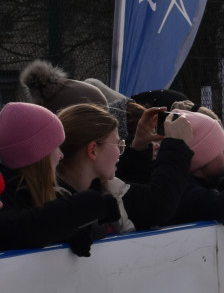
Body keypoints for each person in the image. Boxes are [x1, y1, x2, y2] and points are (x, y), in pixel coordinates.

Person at [55, 103, 195, 252]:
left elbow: (149, 204)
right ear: (93, 150)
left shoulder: (105, 188)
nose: (120, 151)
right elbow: (160, 204)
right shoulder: (54, 210)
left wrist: (140, 146)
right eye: (117, 143)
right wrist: (176, 146)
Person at [0, 102, 122, 254]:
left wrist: (67, 234)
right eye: (56, 147)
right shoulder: (6, 196)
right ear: (39, 156)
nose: (61, 155)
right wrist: (87, 205)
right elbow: (15, 230)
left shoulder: (33, 193)